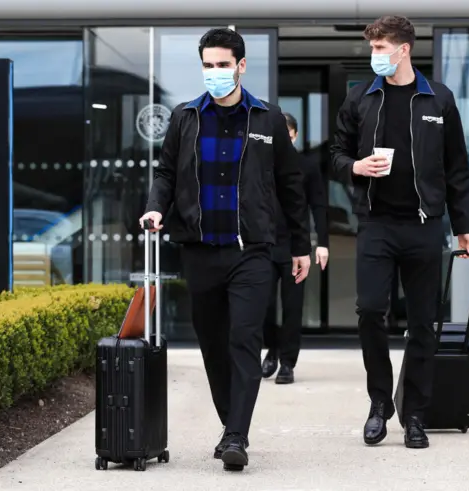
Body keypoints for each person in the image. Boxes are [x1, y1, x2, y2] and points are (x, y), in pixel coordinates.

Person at [140, 28, 311, 471]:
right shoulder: (185, 118)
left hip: (250, 250)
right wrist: (156, 209)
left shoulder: (267, 119)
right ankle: (229, 423)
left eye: (222, 64)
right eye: (207, 65)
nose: (214, 73)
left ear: (241, 66)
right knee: (213, 345)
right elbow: (164, 174)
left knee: (244, 338)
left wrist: (301, 246)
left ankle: (237, 435)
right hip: (200, 250)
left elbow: (291, 186)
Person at [330, 15, 469, 450]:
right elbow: (336, 154)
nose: (374, 55)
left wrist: (464, 226)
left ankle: (415, 414)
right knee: (371, 311)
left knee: (423, 325)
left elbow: (456, 169)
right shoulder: (359, 99)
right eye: (372, 48)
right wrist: (354, 167)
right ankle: (380, 404)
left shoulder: (439, 100)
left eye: (380, 48)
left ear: (403, 49)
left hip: (425, 226)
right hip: (376, 223)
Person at [261, 112, 329, 385]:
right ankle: (272, 349)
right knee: (262, 306)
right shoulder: (263, 164)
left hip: (294, 247)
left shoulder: (307, 166)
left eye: (289, 137)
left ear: (295, 136)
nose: (285, 142)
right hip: (263, 244)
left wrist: (322, 243)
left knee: (292, 307)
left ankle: (287, 362)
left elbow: (319, 205)